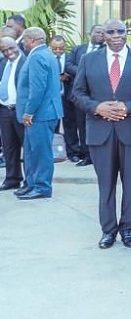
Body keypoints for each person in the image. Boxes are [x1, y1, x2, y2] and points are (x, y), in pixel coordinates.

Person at [71, 18, 131, 249]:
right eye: (110, 31)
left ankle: (128, 230)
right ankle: (108, 231)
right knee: (106, 185)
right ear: (103, 35)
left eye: (120, 31)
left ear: (126, 33)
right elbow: (77, 94)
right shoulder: (88, 60)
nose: (116, 35)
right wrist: (97, 107)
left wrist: (127, 107)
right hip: (100, 132)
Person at [15, 27, 63, 200]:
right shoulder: (46, 54)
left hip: (40, 114)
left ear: (33, 40)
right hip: (42, 113)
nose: (23, 43)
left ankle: (42, 187)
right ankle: (32, 183)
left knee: (41, 152)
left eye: (25, 40)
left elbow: (38, 89)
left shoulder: (37, 56)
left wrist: (29, 112)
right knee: (30, 151)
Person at [64, 23, 105, 167]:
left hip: (95, 96)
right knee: (77, 124)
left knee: (88, 126)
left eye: (103, 33)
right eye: (98, 32)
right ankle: (79, 153)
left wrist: (86, 72)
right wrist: (84, 72)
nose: (101, 35)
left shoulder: (106, 51)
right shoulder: (78, 49)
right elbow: (68, 65)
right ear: (91, 33)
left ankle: (91, 155)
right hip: (76, 94)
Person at [0, 36, 26, 193]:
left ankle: (30, 181)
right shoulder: (3, 63)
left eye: (11, 48)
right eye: (4, 50)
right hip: (4, 110)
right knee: (9, 147)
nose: (9, 52)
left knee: (27, 147)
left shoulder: (27, 62)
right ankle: (12, 179)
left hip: (21, 110)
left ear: (17, 45)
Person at [49, 35, 80, 162]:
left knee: (70, 124)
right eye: (54, 49)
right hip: (52, 97)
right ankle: (53, 152)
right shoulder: (47, 58)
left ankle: (73, 152)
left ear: (65, 47)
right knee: (53, 125)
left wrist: (68, 77)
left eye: (60, 48)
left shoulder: (70, 58)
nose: (57, 51)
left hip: (67, 95)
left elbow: (78, 74)